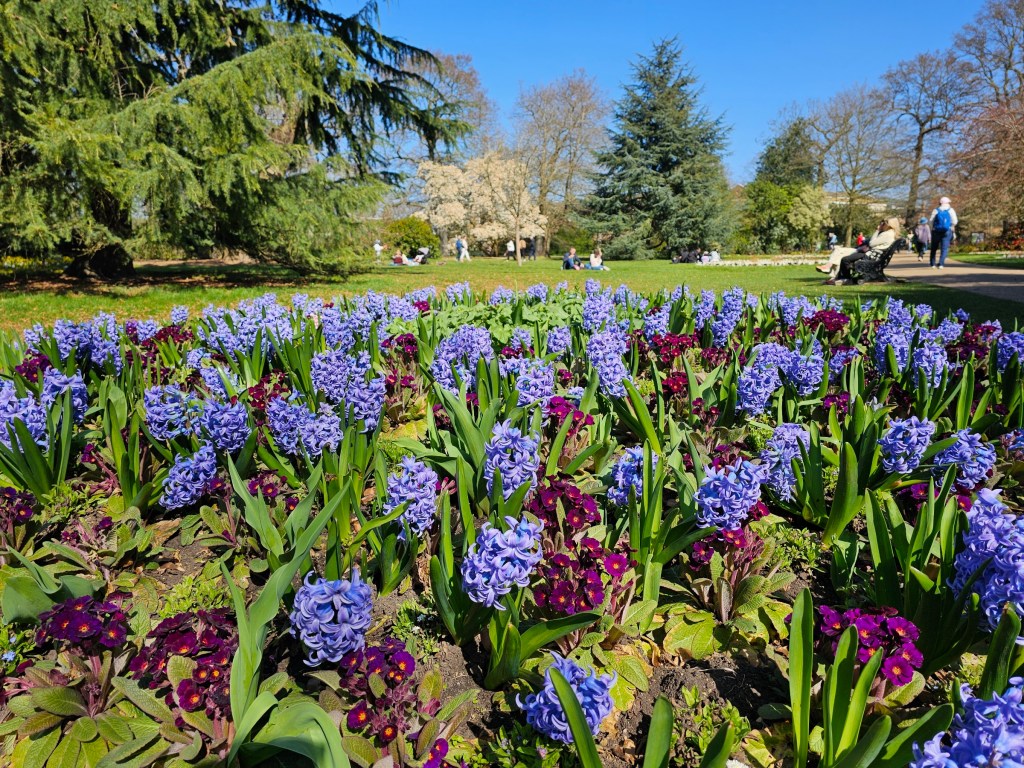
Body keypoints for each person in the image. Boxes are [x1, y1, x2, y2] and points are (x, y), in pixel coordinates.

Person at [824, 218, 900, 284]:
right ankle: (840, 278)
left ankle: (845, 279)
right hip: (873, 255)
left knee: (845, 259)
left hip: (870, 256)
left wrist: (877, 230)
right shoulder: (890, 233)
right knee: (844, 257)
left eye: (884, 223)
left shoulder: (887, 234)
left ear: (889, 225)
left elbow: (871, 243)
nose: (882, 224)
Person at [929, 196, 958, 270]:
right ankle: (941, 264)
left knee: (934, 248)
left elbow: (931, 221)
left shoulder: (936, 210)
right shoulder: (950, 210)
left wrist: (933, 227)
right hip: (947, 231)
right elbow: (955, 221)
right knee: (944, 248)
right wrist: (951, 226)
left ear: (940, 203)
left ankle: (932, 264)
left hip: (936, 231)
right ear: (948, 203)